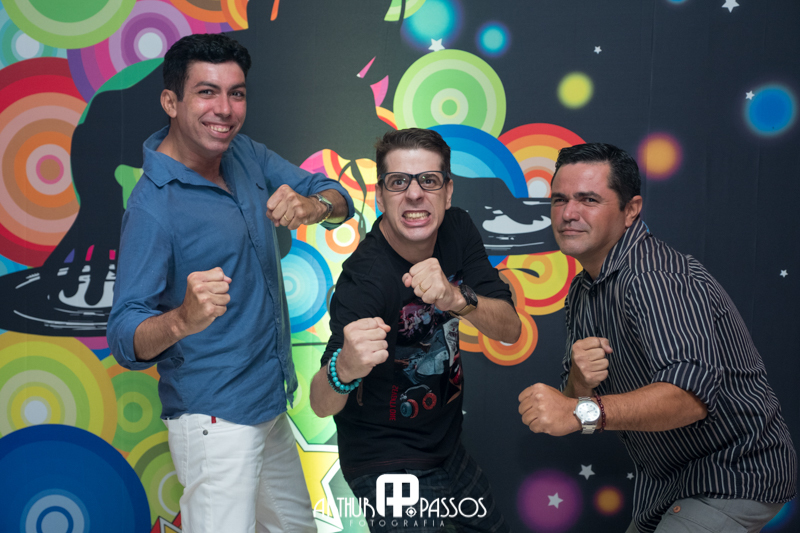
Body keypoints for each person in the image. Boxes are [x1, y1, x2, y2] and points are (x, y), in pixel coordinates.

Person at [107, 33, 354, 533]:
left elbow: (337, 196)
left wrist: (313, 207)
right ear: (171, 102)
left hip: (268, 404)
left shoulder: (244, 154)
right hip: (215, 422)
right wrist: (182, 319)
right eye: (206, 92)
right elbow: (123, 336)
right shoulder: (153, 207)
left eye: (235, 93)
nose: (224, 109)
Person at [518, 143, 797, 533]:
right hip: (666, 485)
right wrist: (580, 382)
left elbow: (689, 398)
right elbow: (574, 401)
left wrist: (579, 412)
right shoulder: (582, 291)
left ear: (631, 210)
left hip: (732, 473)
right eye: (559, 199)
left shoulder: (654, 276)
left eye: (589, 199)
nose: (568, 213)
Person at [309, 128, 520, 532]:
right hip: (384, 459)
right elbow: (320, 403)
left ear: (448, 191)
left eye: (429, 180)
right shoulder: (364, 279)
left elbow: (510, 328)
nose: (414, 194)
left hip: (446, 445)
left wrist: (455, 297)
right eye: (398, 182)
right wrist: (346, 367)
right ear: (380, 195)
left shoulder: (457, 229)